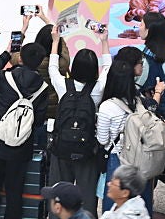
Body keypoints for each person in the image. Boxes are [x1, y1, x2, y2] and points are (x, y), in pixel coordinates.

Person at [0, 40, 50, 219]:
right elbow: (38, 120)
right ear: (40, 62)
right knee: (15, 193)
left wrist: (6, 54)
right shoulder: (42, 88)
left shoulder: (6, 77)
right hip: (20, 147)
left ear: (20, 58)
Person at [48, 26, 111, 216]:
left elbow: (52, 68)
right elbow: (108, 68)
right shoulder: (97, 89)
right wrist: (104, 41)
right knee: (87, 195)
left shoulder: (63, 86)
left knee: (58, 191)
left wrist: (56, 41)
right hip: (87, 148)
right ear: (94, 70)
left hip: (62, 147)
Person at [99, 60, 162, 212]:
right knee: (141, 201)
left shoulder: (107, 106)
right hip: (140, 157)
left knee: (114, 201)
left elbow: (102, 140)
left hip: (117, 158)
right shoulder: (139, 101)